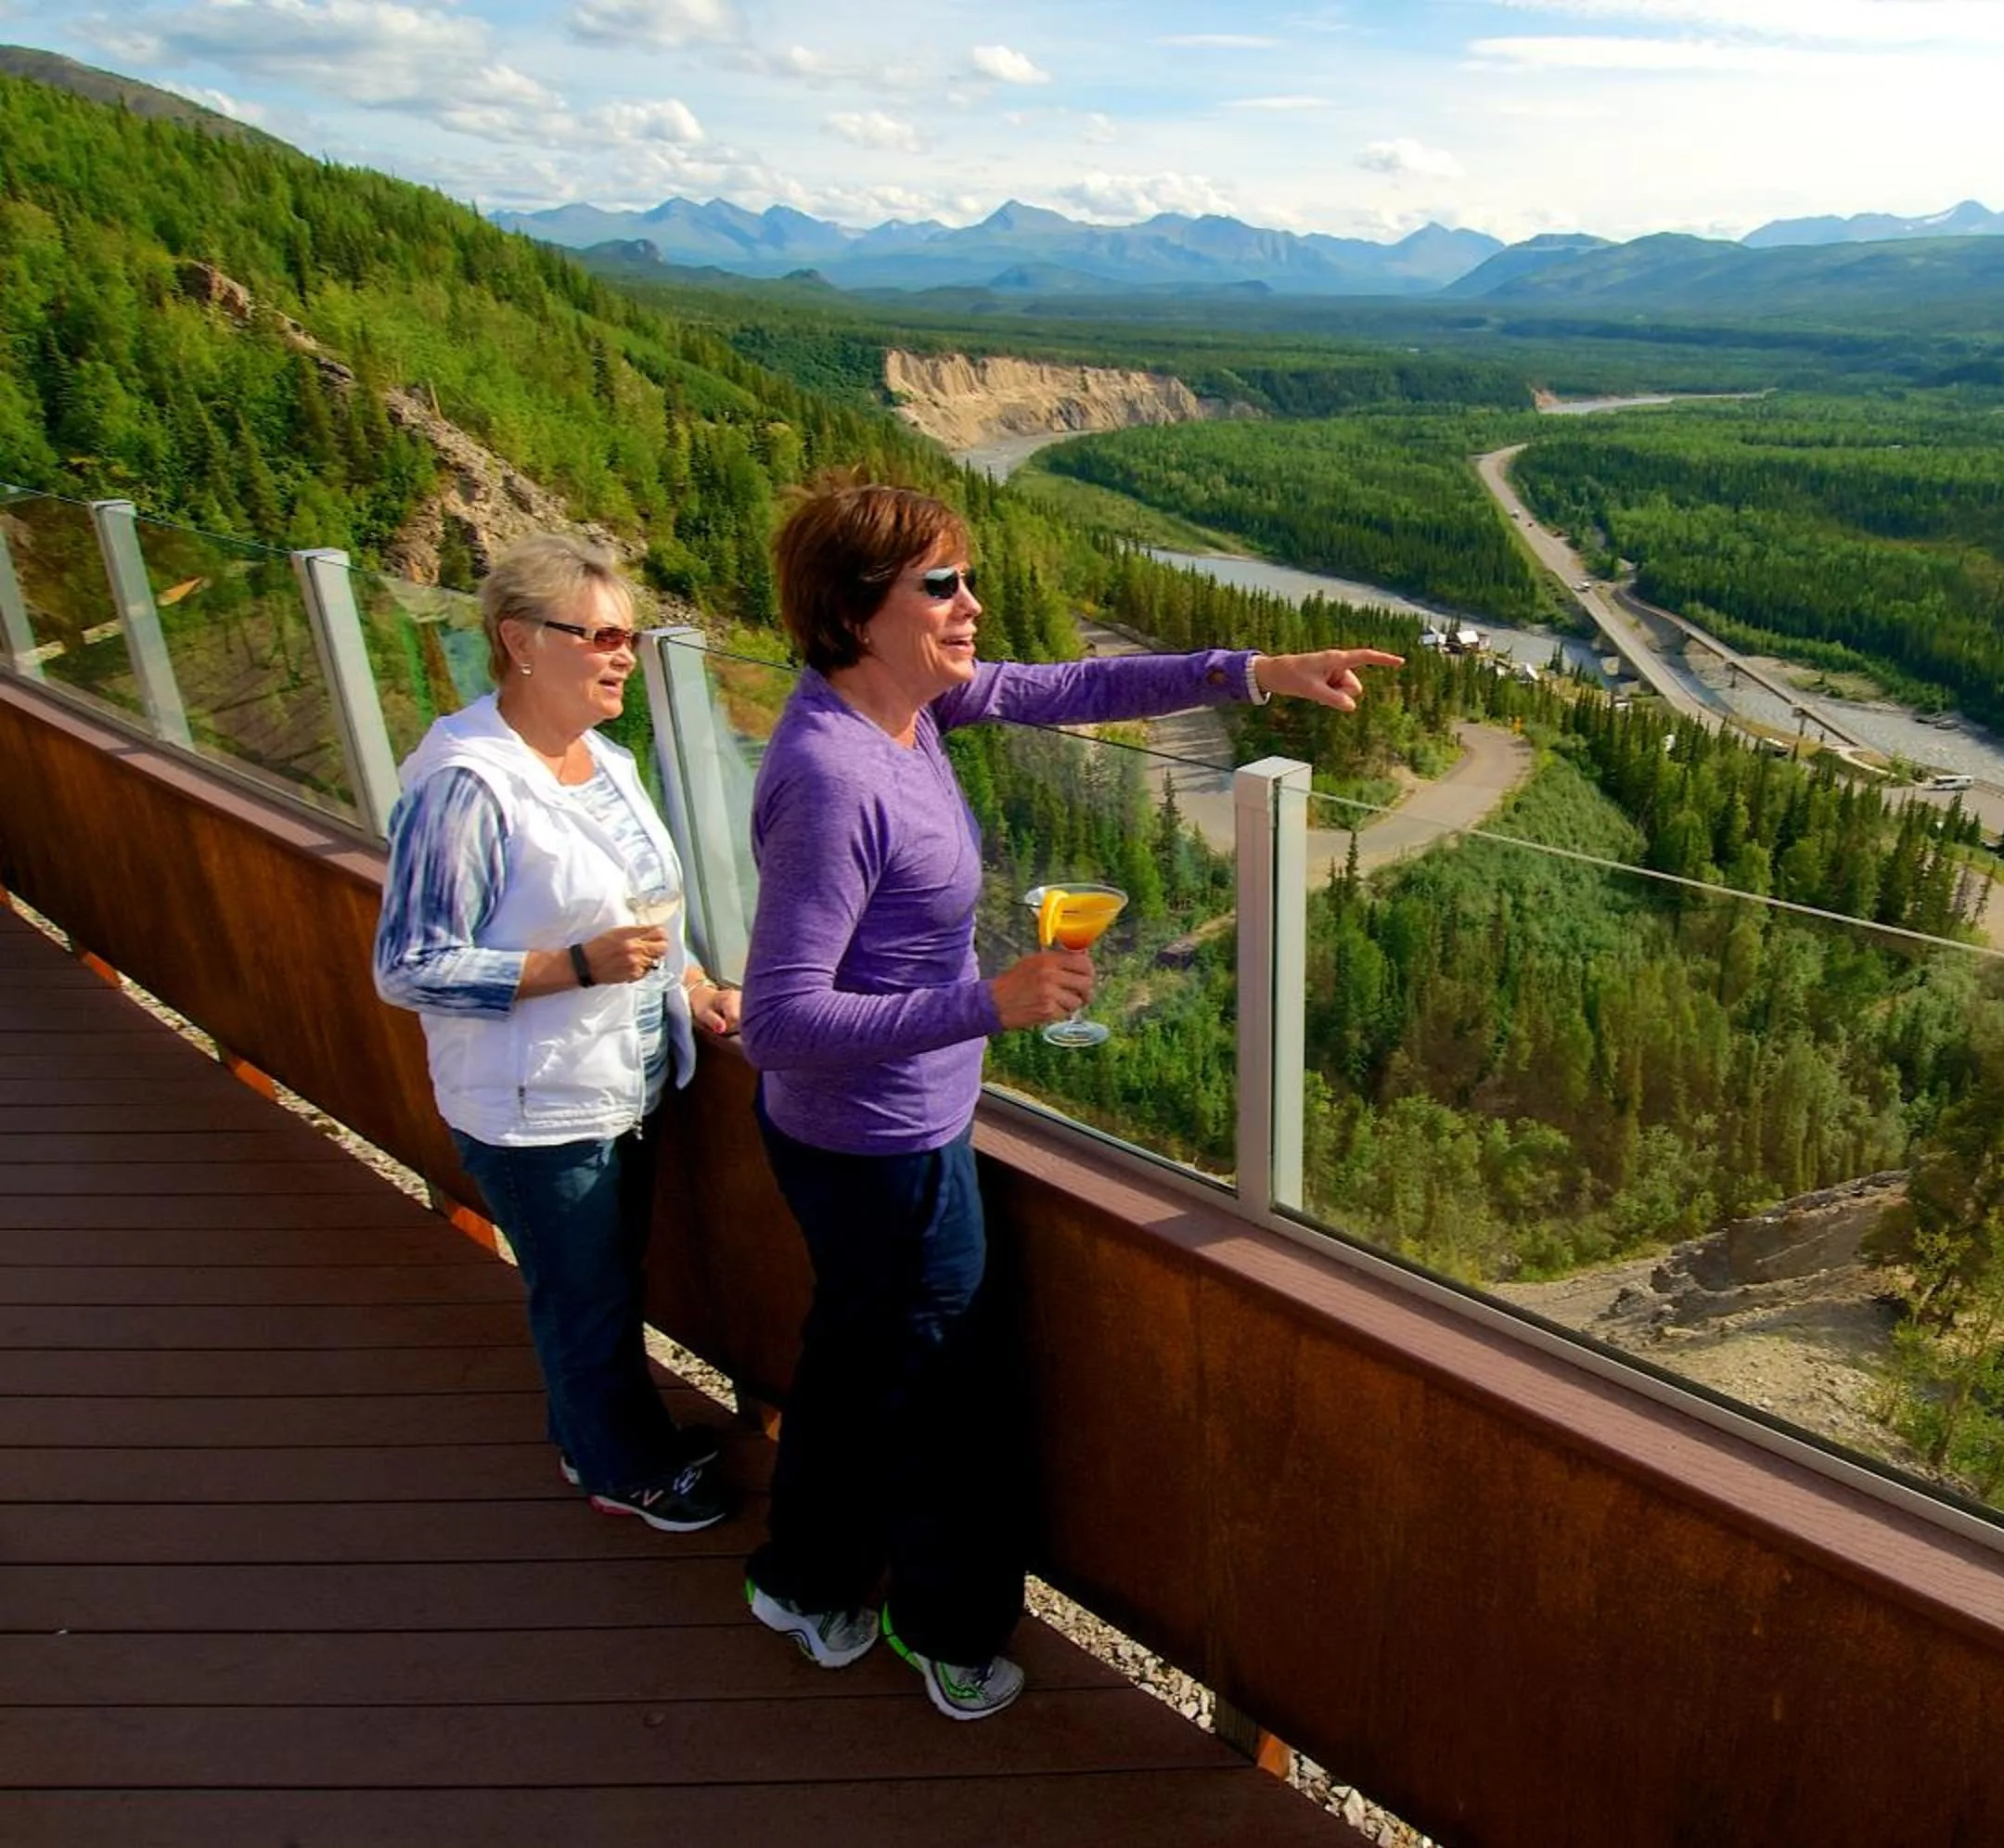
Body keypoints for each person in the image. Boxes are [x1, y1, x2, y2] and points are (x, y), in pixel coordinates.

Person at [738, 480, 1397, 1716]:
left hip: (869, 1139)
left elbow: (1074, 688)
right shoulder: (834, 777)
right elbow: (777, 1023)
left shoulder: (904, 709)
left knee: (858, 1356)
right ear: (855, 611)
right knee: (943, 1397)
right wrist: (989, 1004)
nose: (971, 605)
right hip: (883, 1149)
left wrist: (1257, 670)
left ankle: (802, 1575)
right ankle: (942, 1629)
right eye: (940, 584)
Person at [373, 533, 744, 1532]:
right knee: (583, 1300)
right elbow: (408, 964)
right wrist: (568, 968)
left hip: (619, 1084)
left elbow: (646, 909)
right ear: (519, 640)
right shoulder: (467, 784)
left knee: (601, 1285)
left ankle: (593, 1433)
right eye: (602, 636)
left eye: (628, 638)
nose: (625, 655)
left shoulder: (605, 760)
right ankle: (621, 1470)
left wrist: (695, 980)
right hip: (535, 1107)